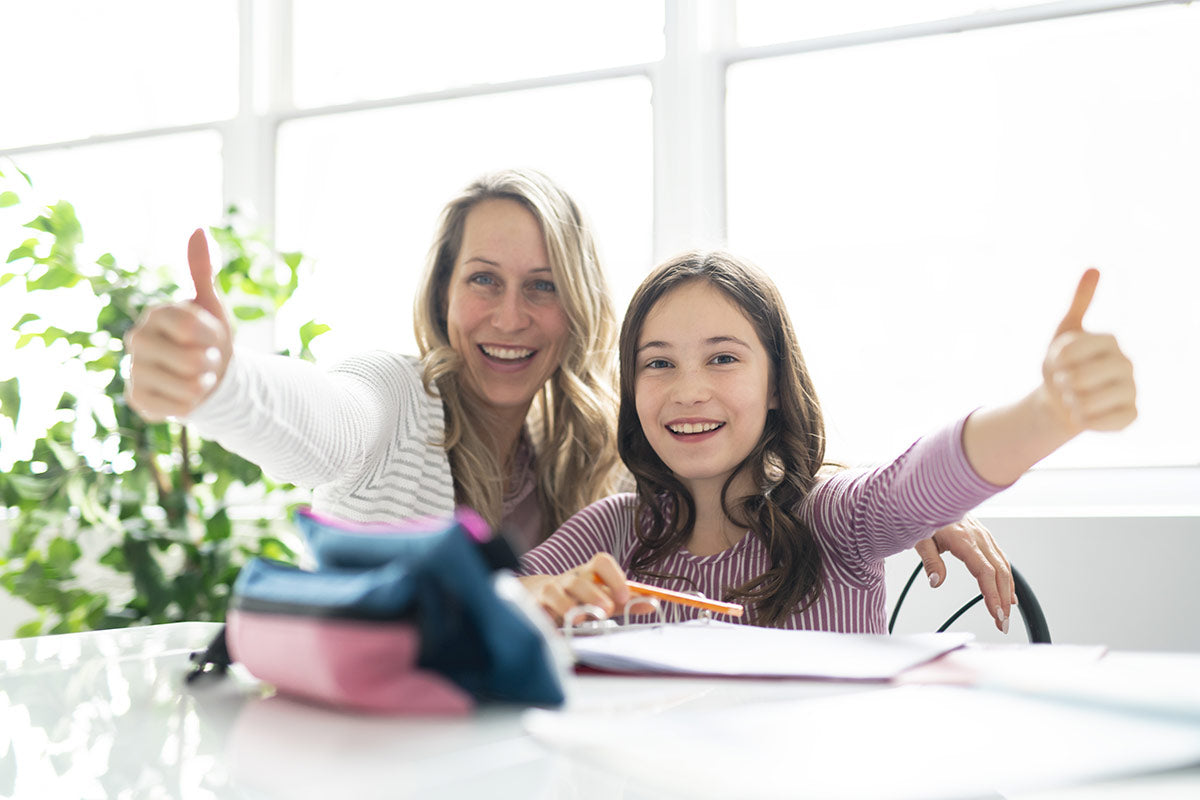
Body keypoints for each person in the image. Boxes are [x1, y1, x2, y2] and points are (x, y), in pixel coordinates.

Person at [124, 169, 1014, 620]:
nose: (510, 316)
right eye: (483, 280)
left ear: (578, 300)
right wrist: (220, 380)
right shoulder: (392, 399)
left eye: (542, 285)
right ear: (442, 295)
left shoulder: (602, 446)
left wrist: (885, 497)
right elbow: (318, 421)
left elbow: (708, 475)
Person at [519, 251, 1136, 633]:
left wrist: (1047, 413)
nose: (688, 391)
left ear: (776, 387)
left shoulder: (833, 519)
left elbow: (920, 480)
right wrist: (534, 599)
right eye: (658, 365)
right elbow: (482, 599)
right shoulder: (611, 533)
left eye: (723, 358)